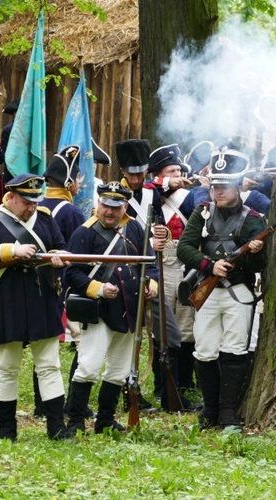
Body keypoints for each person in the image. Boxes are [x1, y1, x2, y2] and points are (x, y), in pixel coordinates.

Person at [0, 173, 71, 441]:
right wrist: (11, 250)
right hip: (7, 299)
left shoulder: (45, 218)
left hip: (42, 298)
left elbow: (60, 246)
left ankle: (57, 428)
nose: (31, 207)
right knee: (7, 366)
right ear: (11, 198)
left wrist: (62, 256)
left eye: (35, 201)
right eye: (26, 202)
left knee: (49, 365)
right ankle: (6, 431)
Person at [177, 147, 267, 430]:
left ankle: (228, 411)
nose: (218, 191)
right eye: (215, 185)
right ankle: (210, 410)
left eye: (224, 186)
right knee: (204, 351)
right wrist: (208, 267)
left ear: (239, 185)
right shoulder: (202, 213)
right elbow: (184, 248)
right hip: (206, 290)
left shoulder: (254, 218)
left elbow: (258, 266)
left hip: (238, 291)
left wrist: (254, 252)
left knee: (235, 350)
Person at [64, 181, 160, 434]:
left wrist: (151, 283)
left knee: (119, 370)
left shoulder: (135, 228)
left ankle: (105, 419)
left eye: (115, 207)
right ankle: (75, 420)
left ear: (124, 207)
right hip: (100, 311)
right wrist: (98, 288)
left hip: (131, 309)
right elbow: (72, 274)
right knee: (88, 366)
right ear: (98, 203)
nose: (109, 211)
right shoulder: (84, 232)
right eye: (105, 205)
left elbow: (149, 263)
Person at [146, 144, 200, 404]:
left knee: (186, 323)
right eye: (171, 170)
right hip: (162, 262)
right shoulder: (149, 193)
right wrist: (166, 181)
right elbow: (149, 187)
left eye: (179, 169)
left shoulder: (188, 197)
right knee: (163, 328)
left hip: (184, 262)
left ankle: (183, 382)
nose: (178, 174)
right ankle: (162, 384)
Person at [41, 145, 89, 418]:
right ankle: (73, 402)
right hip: (67, 287)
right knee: (82, 343)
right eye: (78, 178)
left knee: (44, 343)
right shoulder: (71, 213)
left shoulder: (37, 206)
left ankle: (41, 405)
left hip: (42, 285)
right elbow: (79, 255)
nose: (80, 183)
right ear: (69, 182)